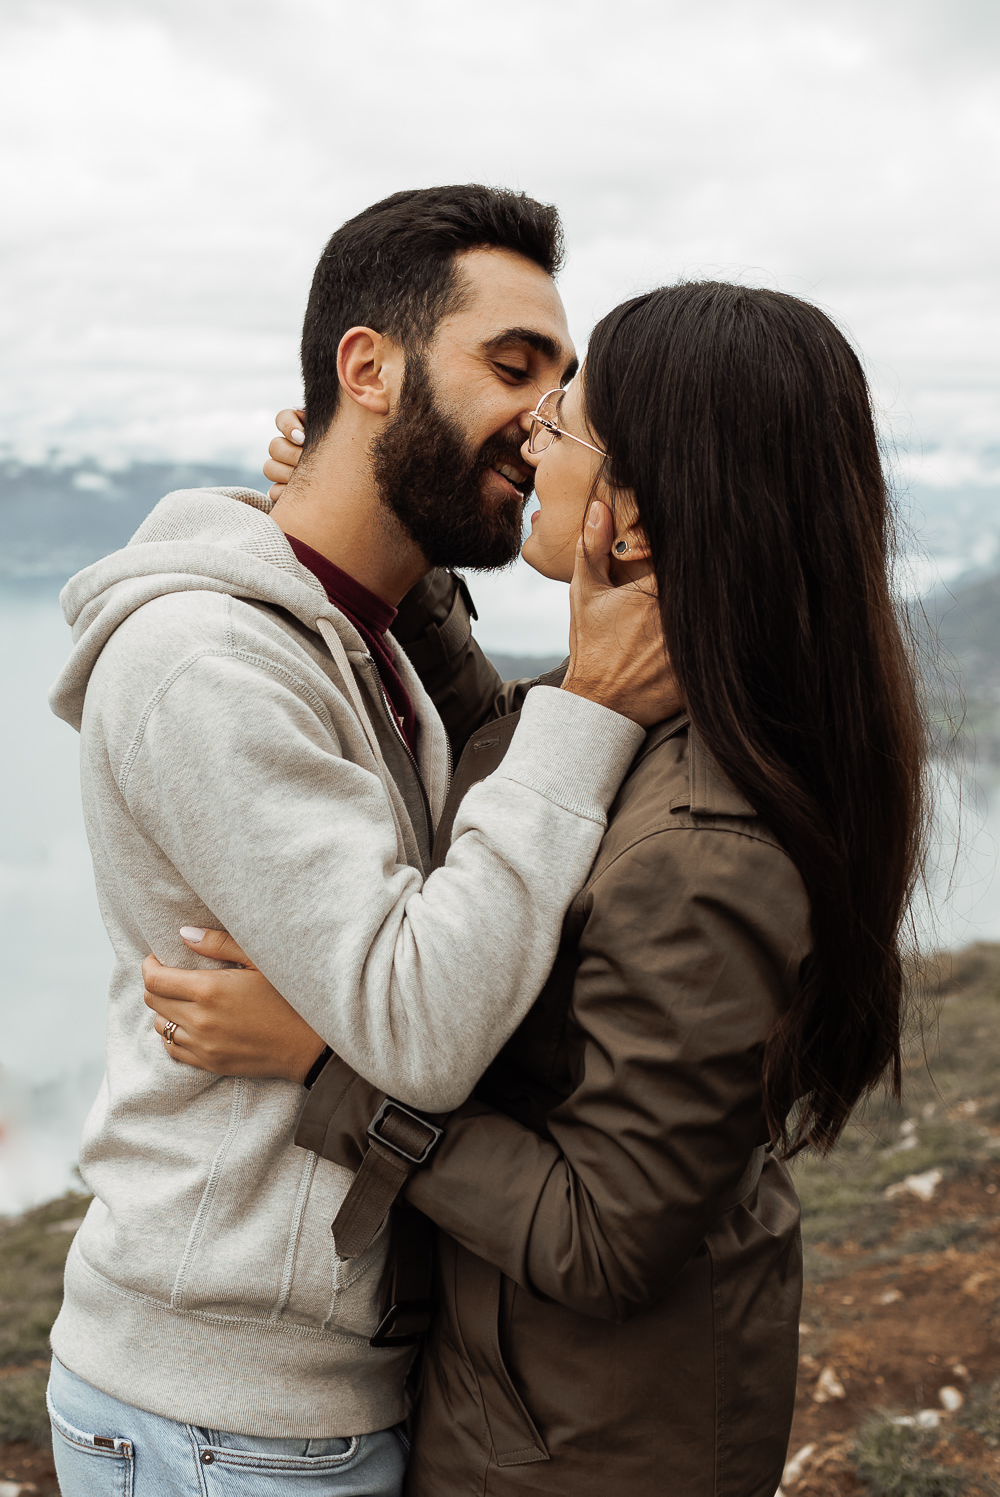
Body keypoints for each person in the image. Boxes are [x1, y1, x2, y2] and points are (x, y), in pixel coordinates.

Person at [144, 281, 927, 1496]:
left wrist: (325, 1069)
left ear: (642, 520)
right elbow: (520, 748)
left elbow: (603, 1237)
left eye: (564, 420)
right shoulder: (675, 714)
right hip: (541, 1402)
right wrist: (388, 524)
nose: (531, 435)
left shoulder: (704, 853)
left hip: (588, 1449)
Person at [44, 185, 678, 1497]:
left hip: (292, 1402)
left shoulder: (367, 640)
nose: (550, 419)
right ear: (368, 367)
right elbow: (422, 1025)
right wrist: (596, 707)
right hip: (231, 1422)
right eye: (517, 366)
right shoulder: (205, 661)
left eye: (564, 384)